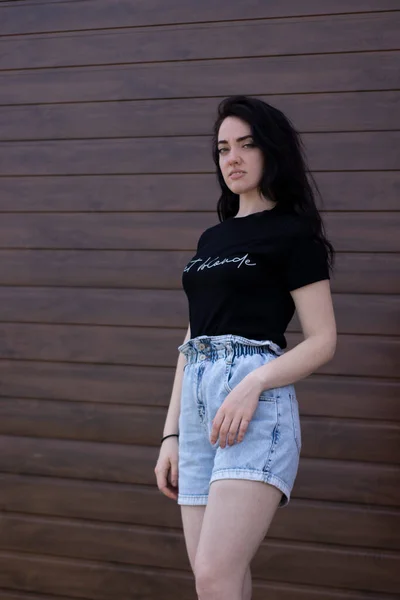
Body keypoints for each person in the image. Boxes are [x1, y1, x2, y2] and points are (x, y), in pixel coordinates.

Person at [154, 95, 337, 600]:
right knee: (218, 580)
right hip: (197, 411)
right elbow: (191, 340)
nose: (232, 158)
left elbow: (323, 341)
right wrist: (170, 435)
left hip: (253, 407)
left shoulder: (294, 235)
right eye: (222, 149)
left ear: (270, 151)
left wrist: (254, 382)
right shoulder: (212, 238)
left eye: (246, 145)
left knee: (214, 573)